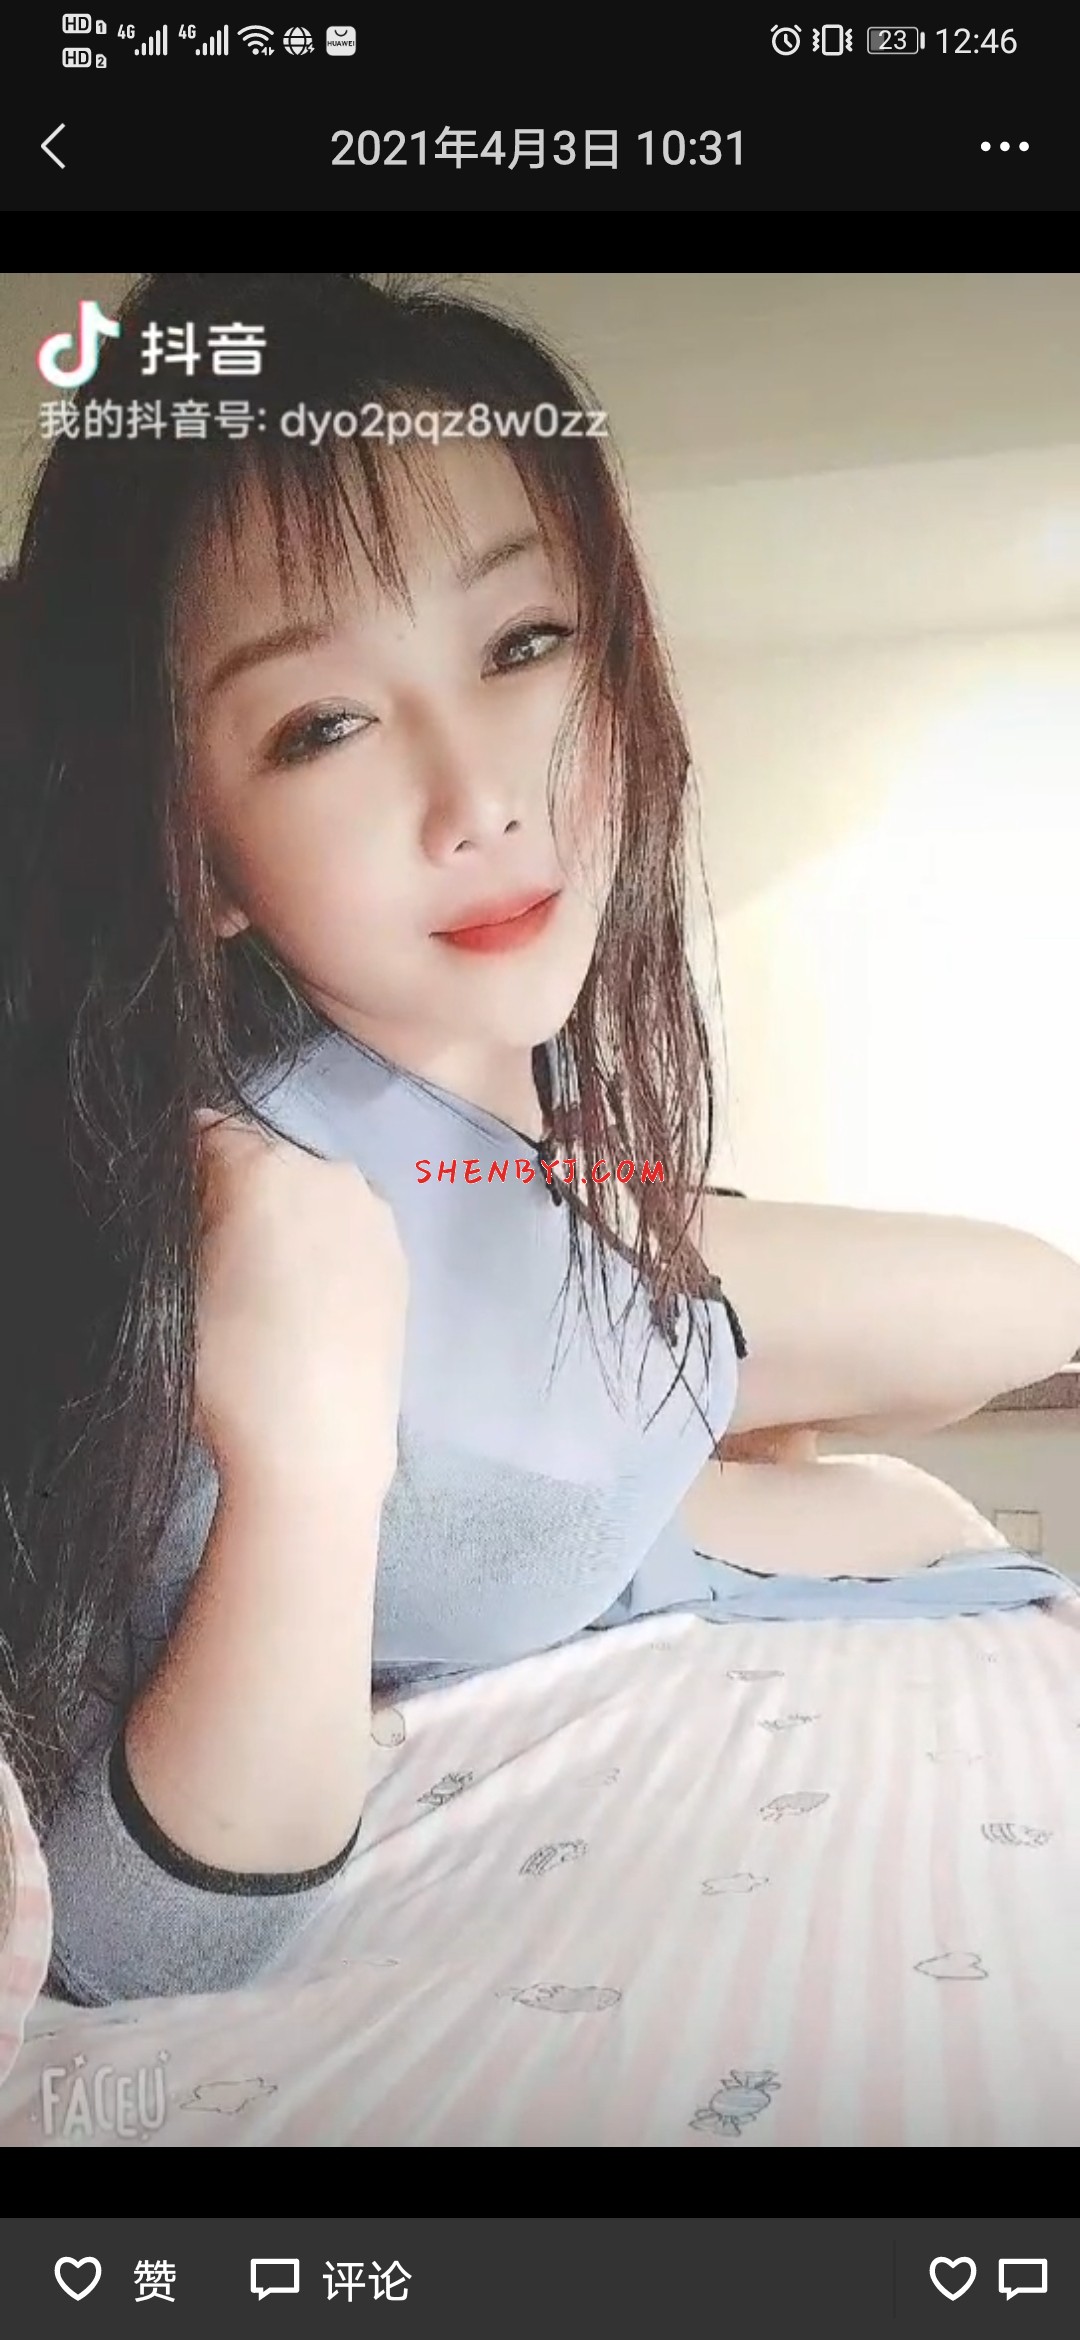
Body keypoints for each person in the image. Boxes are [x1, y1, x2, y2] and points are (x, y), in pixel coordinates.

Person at [3, 273, 1078, 2009]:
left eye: (521, 645)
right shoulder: (240, 1213)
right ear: (192, 854)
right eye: (322, 726)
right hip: (497, 1404)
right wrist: (307, 1459)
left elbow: (1020, 1316)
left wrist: (622, 1236)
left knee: (980, 1384)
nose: (482, 798)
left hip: (588, 1349)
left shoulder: (483, 1110)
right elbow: (136, 1936)